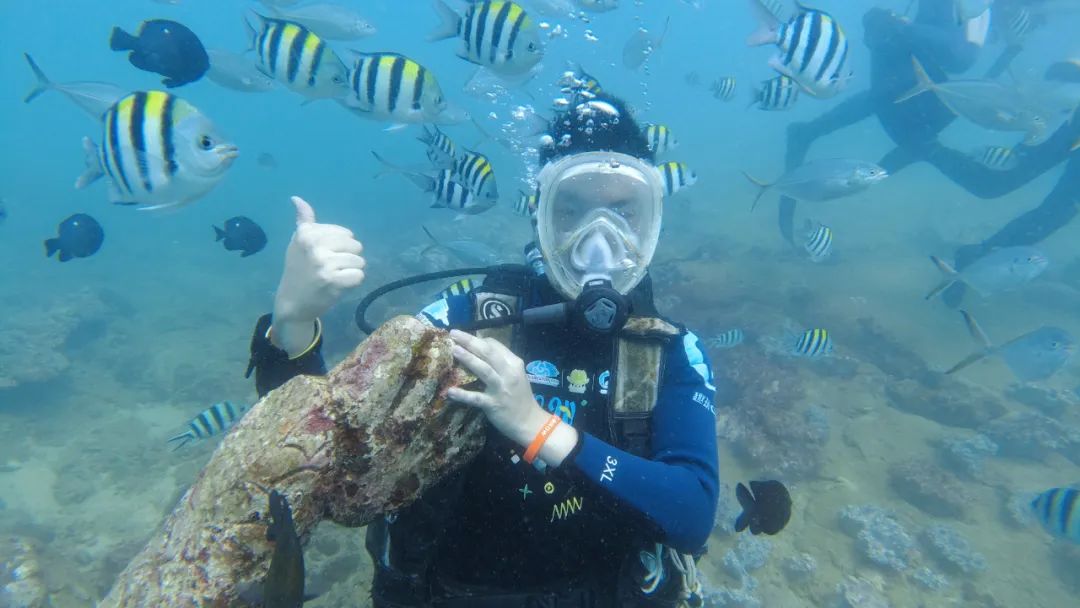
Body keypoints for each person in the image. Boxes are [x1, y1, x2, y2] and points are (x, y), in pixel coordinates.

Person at [246, 93, 721, 607]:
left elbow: (692, 517)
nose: (598, 243)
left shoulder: (667, 350)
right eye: (572, 210)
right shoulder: (464, 318)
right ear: (541, 217)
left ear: (652, 222)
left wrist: (538, 428)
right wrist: (292, 324)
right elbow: (320, 453)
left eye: (624, 212)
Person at [780, 0, 987, 243]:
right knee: (979, 181)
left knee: (901, 97)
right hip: (916, 111)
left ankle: (809, 133)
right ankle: (810, 134)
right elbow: (958, 60)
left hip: (917, 108)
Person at [917, 59, 1080, 306]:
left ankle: (978, 256)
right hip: (1072, 117)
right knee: (994, 182)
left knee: (1058, 213)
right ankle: (923, 147)